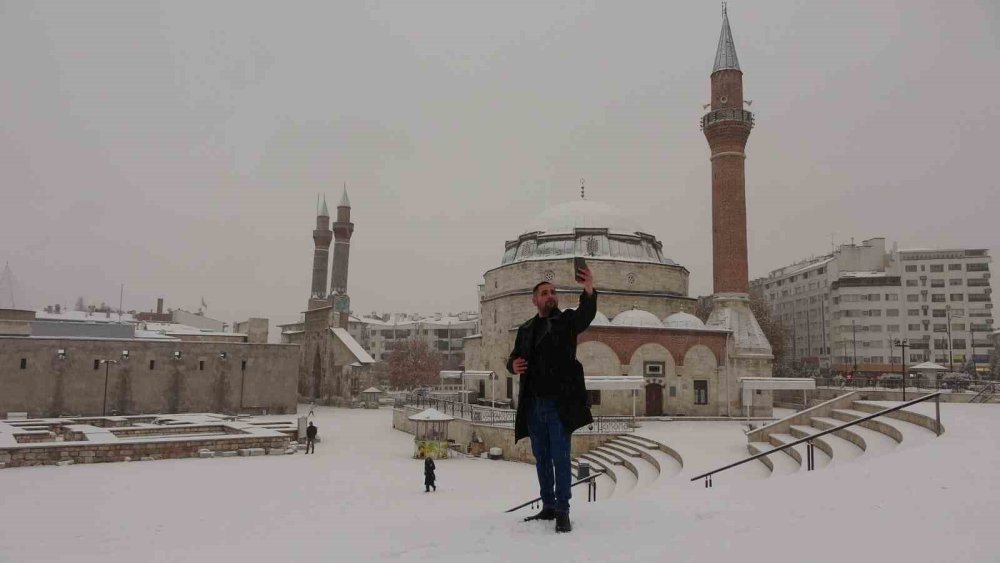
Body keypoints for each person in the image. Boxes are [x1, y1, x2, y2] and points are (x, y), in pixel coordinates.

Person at [507, 266, 596, 533]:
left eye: (553, 292)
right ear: (535, 300)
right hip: (533, 406)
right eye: (544, 293)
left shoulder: (566, 322)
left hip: (558, 406)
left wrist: (589, 288)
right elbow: (512, 358)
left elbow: (586, 314)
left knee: (560, 458)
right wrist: (512, 366)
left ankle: (562, 511)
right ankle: (547, 506)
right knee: (542, 459)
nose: (550, 296)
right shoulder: (525, 329)